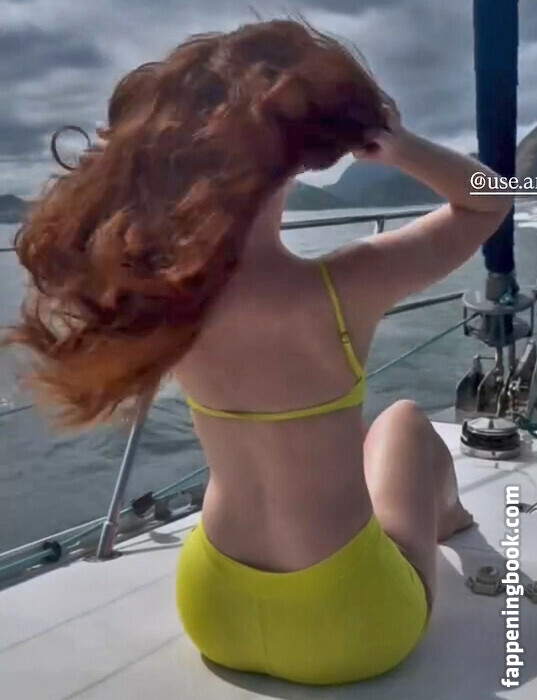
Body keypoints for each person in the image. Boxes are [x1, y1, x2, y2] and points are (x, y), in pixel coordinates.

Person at [3, 19, 513, 686]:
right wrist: (399, 145)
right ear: (297, 162)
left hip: (212, 607)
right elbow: (491, 202)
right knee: (402, 425)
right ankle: (453, 520)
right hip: (352, 623)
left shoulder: (168, 300)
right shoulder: (345, 288)